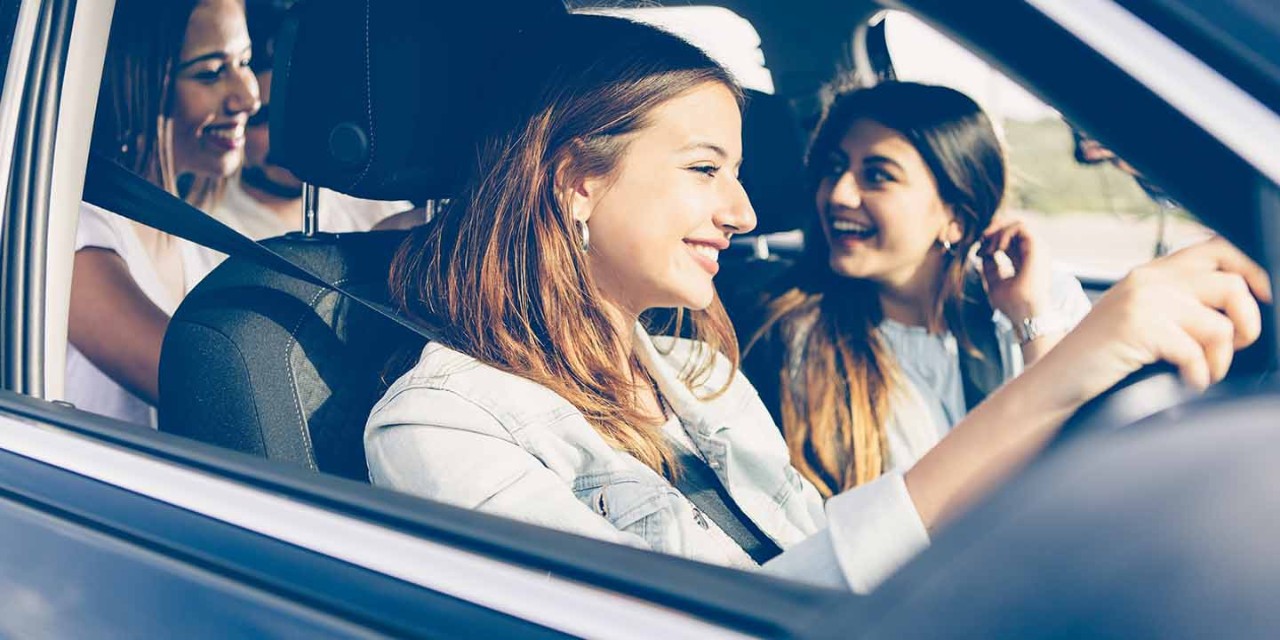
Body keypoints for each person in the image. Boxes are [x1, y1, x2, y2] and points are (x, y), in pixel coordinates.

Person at [364, 15, 1269, 594]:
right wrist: (1065, 373)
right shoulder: (439, 426)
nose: (745, 212)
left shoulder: (696, 373)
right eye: (705, 169)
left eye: (738, 173)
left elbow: (821, 548)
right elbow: (732, 618)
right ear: (578, 181)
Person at [740, 82, 1091, 497]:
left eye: (877, 176)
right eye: (833, 169)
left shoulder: (1043, 299)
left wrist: (1031, 321)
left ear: (955, 218)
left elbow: (1089, 468)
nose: (838, 194)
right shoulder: (794, 336)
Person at [68, 0, 260, 427]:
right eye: (211, 72)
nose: (249, 97)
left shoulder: (197, 243)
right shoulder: (78, 234)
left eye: (244, 62)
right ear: (135, 83)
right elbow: (203, 384)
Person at [209, 0, 409, 239]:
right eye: (263, 118)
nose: (290, 136)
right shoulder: (209, 230)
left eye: (300, 118)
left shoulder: (373, 205)